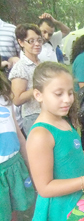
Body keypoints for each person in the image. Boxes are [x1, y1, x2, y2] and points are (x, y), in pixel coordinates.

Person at [26, 62, 84, 220]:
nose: (67, 99)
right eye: (58, 94)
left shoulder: (63, 120)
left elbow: (65, 152)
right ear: (38, 95)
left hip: (76, 200)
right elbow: (45, 188)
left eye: (70, 93)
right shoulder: (40, 134)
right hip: (59, 210)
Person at [0, 72, 35, 221]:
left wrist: (31, 165)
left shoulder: (5, 98)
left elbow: (19, 135)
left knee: (14, 211)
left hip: (13, 165)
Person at [8, 23, 43, 136]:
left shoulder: (41, 63)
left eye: (39, 40)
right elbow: (17, 99)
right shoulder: (21, 67)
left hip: (46, 113)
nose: (37, 44)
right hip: (33, 116)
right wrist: (40, 87)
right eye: (31, 41)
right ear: (21, 42)